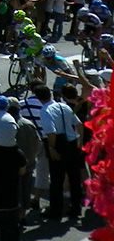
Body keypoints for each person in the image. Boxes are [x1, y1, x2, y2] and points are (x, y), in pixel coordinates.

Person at [42, 82, 85, 221]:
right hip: (72, 143)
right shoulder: (64, 106)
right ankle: (76, 208)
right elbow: (79, 125)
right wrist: (80, 142)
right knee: (74, 178)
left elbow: (51, 132)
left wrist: (52, 148)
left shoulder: (46, 110)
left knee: (56, 180)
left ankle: (56, 211)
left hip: (59, 145)